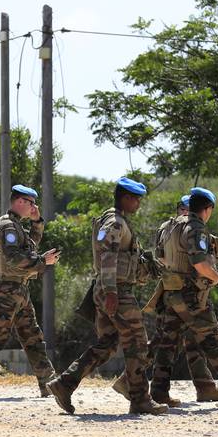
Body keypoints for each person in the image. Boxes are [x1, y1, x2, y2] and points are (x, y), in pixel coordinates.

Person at [48, 177, 167, 415]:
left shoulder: (114, 220)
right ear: (125, 198)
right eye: (136, 199)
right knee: (137, 343)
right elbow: (108, 257)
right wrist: (112, 292)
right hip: (116, 291)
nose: (138, 204)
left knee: (108, 344)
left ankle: (64, 384)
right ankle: (140, 399)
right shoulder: (115, 222)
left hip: (106, 289)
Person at [150, 187, 218, 405]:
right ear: (208, 208)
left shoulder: (172, 226)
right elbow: (200, 262)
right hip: (192, 296)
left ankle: (158, 391)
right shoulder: (196, 228)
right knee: (212, 340)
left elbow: (161, 259)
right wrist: (216, 276)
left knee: (167, 344)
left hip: (171, 293)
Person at [112, 194, 218, 403]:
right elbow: (166, 259)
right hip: (179, 292)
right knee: (165, 341)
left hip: (179, 290)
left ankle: (205, 387)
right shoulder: (178, 229)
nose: (185, 213)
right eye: (182, 208)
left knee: (190, 340)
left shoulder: (174, 229)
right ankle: (129, 379)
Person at [0, 184, 60, 398]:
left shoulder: (14, 225)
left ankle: (49, 382)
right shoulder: (8, 226)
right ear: (20, 202)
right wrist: (43, 261)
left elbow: (28, 247)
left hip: (19, 289)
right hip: (10, 288)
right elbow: (13, 258)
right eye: (31, 203)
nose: (34, 207)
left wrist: (36, 223)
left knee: (32, 336)